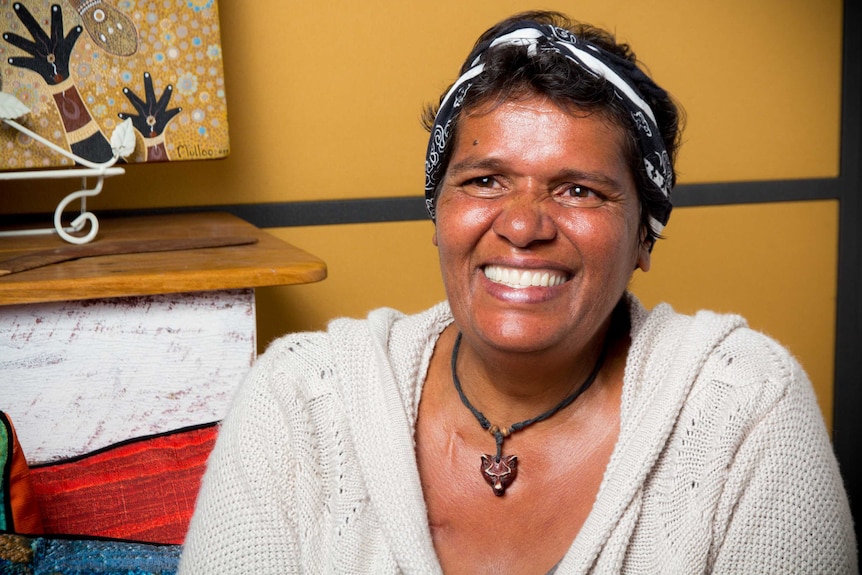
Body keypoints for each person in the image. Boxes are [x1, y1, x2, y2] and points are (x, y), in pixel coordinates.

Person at [178, 11, 857, 574]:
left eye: (579, 190)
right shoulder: (297, 403)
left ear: (645, 238)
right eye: (484, 180)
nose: (524, 225)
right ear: (438, 214)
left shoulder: (745, 407)